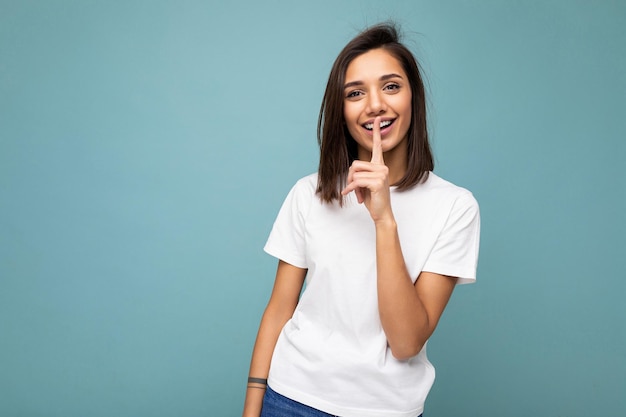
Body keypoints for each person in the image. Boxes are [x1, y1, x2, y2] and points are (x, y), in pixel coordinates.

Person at [242, 22, 480, 417]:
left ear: (413, 98)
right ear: (342, 111)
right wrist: (252, 408)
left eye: (390, 86)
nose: (374, 105)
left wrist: (384, 220)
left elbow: (405, 342)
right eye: (355, 93)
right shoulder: (309, 193)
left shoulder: (455, 207)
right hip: (289, 401)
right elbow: (279, 310)